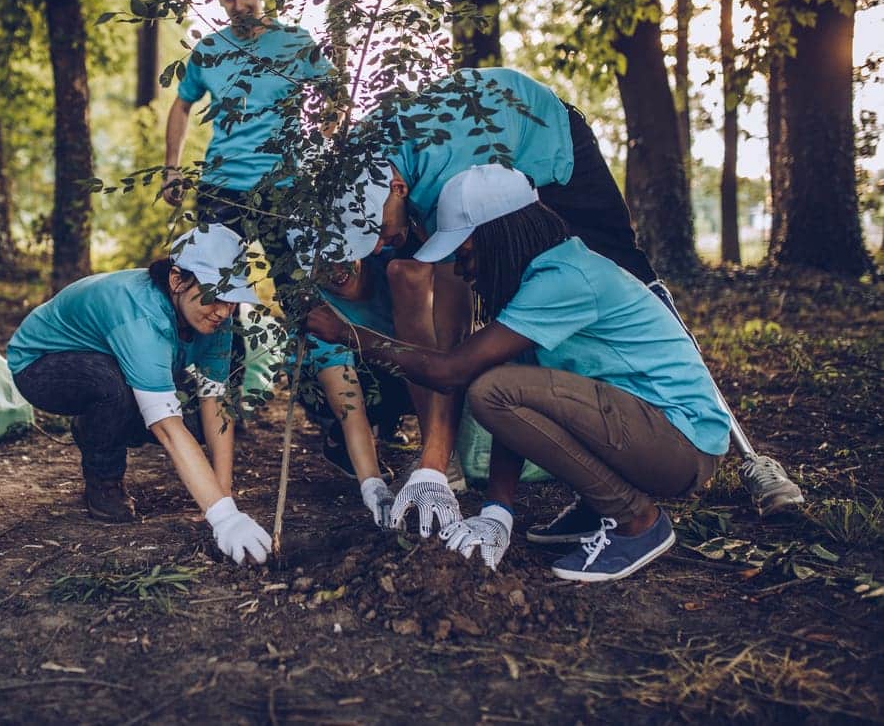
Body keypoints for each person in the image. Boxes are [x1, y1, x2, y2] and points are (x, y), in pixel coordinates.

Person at [328, 67, 802, 515]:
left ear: (397, 188)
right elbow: (407, 284)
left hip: (549, 148)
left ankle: (727, 443)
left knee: (624, 272)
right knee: (420, 281)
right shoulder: (362, 164)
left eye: (377, 233)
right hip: (443, 169)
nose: (378, 247)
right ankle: (447, 460)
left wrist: (431, 456)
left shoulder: (458, 171)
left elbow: (452, 336)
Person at [307, 165, 730, 581]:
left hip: (681, 445)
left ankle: (638, 523)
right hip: (648, 434)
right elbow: (515, 400)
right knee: (501, 386)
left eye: (465, 254)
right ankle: (600, 504)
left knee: (490, 389)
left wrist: (348, 334)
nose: (460, 269)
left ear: (498, 236)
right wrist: (498, 512)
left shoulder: (564, 278)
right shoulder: (538, 281)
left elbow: (453, 372)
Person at [6, 226, 273, 566]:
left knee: (193, 418)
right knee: (113, 388)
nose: (223, 311)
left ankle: (98, 424)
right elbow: (165, 426)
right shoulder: (141, 316)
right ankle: (103, 478)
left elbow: (215, 403)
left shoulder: (214, 322)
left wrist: (222, 497)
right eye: (215, 296)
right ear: (177, 280)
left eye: (232, 301)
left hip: (112, 358)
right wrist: (224, 519)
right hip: (41, 366)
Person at [161, 0, 332, 232]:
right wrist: (171, 168)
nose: (238, 5)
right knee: (210, 275)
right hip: (221, 188)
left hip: (284, 188)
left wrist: (318, 149)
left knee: (294, 278)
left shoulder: (295, 42)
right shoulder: (209, 49)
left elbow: (336, 96)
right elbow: (181, 105)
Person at [292, 248, 414, 527]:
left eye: (341, 255)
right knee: (377, 390)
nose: (334, 270)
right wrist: (373, 486)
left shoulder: (394, 268)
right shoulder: (321, 312)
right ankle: (341, 442)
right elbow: (350, 407)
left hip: (403, 366)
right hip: (338, 385)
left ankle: (390, 423)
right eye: (320, 264)